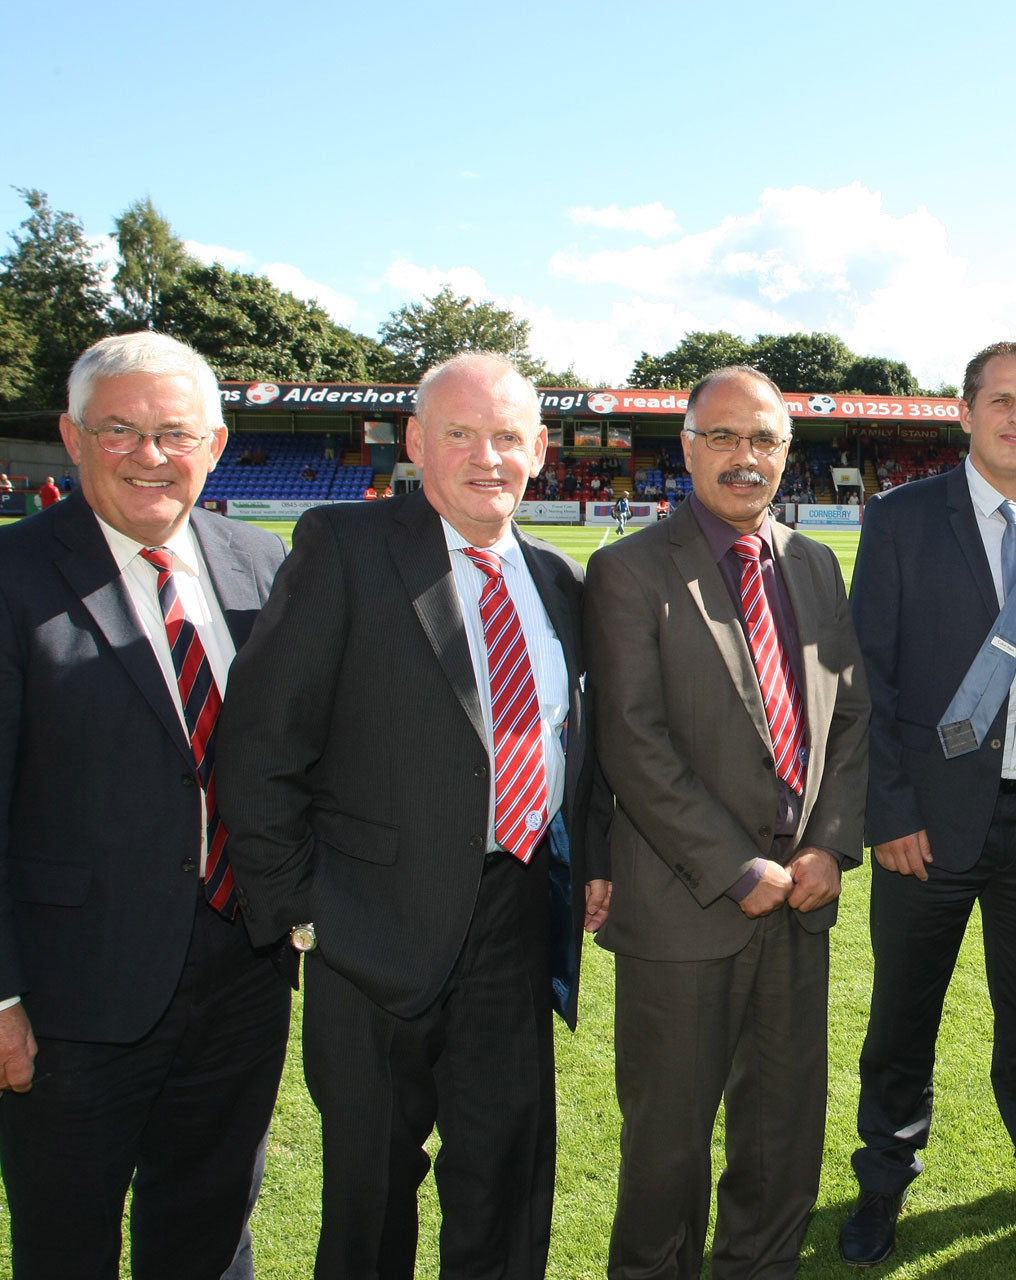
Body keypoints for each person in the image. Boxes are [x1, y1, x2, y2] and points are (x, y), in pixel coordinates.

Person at [219, 352, 609, 1279]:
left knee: (506, 1181)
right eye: (461, 434)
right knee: (372, 1191)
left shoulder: (558, 579)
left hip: (516, 919)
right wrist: (302, 912)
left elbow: (576, 751)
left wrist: (588, 857)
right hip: (370, 931)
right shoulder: (345, 548)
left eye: (507, 436)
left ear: (541, 450)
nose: (487, 456)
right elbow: (261, 745)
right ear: (414, 444)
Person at [0, 332, 292, 1278]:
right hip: (69, 988)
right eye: (118, 430)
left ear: (215, 443)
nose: (150, 456)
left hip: (241, 970)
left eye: (174, 433)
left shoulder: (264, 564)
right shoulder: (9, 577)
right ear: (72, 439)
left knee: (209, 1229)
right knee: (66, 1240)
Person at [842, 340, 1016, 1264]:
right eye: (998, 401)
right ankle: (883, 1179)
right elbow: (867, 680)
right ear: (964, 413)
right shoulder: (901, 517)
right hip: (929, 823)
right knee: (903, 1017)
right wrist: (890, 813)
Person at [586, 366, 869, 1280]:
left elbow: (850, 715)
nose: (744, 459)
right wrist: (738, 866)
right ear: (688, 449)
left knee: (782, 1130)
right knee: (668, 1144)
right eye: (723, 439)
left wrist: (829, 841)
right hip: (685, 907)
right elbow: (633, 742)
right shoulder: (629, 568)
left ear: (788, 452)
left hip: (802, 902)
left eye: (764, 441)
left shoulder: (817, 564)